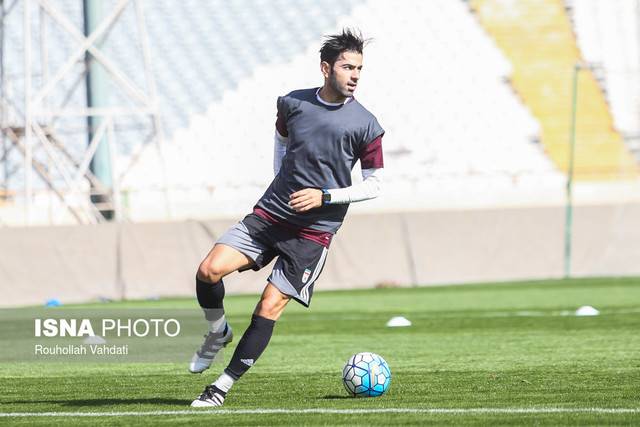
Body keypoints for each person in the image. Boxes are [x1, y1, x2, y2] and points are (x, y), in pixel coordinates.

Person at [190, 28, 385, 407]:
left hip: (313, 232)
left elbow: (375, 184)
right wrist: (282, 178)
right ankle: (217, 332)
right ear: (326, 68)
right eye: (348, 66)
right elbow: (281, 140)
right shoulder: (293, 103)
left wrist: (324, 196)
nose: (356, 75)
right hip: (272, 214)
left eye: (360, 68)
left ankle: (220, 388)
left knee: (268, 305)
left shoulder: (365, 124)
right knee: (208, 270)